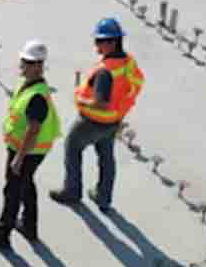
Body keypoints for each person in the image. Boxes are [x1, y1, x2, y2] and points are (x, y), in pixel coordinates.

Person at [50, 17, 145, 211]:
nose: (96, 47)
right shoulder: (127, 62)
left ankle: (72, 191)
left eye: (99, 42)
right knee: (107, 158)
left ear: (112, 42)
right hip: (114, 120)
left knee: (72, 148)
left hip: (93, 122)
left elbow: (101, 103)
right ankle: (103, 197)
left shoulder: (105, 72)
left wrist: (80, 100)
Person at [0, 40, 60, 246]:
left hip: (27, 151)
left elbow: (33, 130)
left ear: (38, 66)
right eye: (22, 60)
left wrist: (18, 158)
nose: (21, 65)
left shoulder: (37, 97)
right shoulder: (29, 85)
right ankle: (29, 226)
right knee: (25, 184)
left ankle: (2, 233)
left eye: (26, 62)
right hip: (25, 149)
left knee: (12, 190)